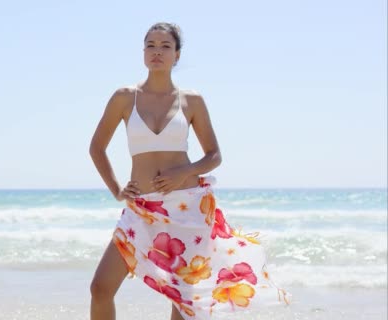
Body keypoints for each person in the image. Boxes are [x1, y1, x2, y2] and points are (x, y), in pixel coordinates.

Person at [88, 22, 290, 320]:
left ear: (177, 55)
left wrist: (185, 171)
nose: (157, 52)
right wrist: (117, 189)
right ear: (143, 52)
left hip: (187, 209)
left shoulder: (191, 100)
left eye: (165, 46)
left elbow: (214, 155)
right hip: (141, 209)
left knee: (184, 302)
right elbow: (96, 148)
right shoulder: (124, 97)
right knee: (101, 287)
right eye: (150, 45)